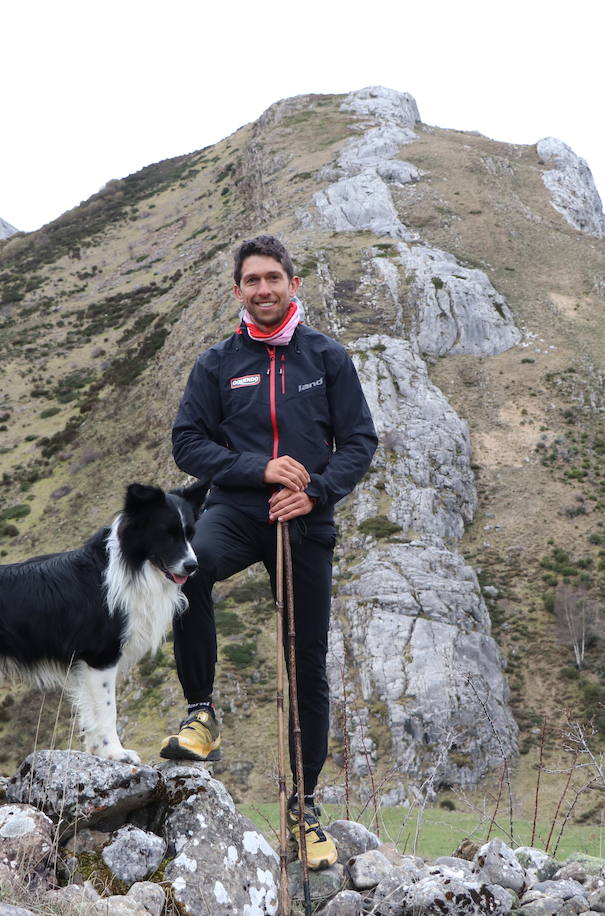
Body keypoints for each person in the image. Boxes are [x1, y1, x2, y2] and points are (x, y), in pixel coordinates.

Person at [162, 234, 378, 869]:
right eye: (251, 280)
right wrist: (260, 470)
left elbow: (360, 440)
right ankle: (201, 714)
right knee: (187, 572)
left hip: (307, 521)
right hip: (236, 508)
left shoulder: (327, 357)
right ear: (238, 291)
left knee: (305, 662)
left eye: (273, 278)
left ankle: (304, 810)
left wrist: (315, 492)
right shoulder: (217, 363)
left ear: (293, 284)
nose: (263, 289)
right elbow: (187, 443)